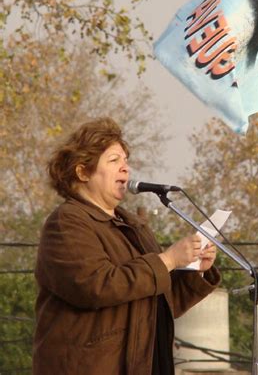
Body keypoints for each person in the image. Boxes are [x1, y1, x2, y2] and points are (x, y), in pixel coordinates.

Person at [33, 117, 220, 375]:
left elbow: (160, 304)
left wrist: (194, 268)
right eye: (114, 161)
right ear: (82, 172)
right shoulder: (67, 223)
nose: (126, 169)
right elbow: (96, 286)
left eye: (126, 161)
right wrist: (167, 260)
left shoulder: (134, 226)